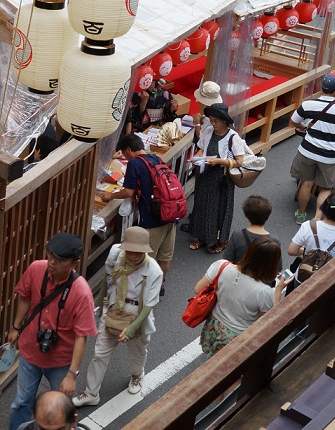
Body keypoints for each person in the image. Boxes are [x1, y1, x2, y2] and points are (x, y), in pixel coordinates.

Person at [6, 233, 96, 430]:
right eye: (50, 255)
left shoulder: (81, 292)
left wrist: (72, 375)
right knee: (21, 403)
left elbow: (82, 336)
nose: (52, 262)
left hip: (60, 361)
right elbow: (25, 297)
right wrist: (15, 327)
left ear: (75, 263)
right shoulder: (36, 268)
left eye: (61, 259)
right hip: (30, 351)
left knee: (61, 409)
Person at [71, 227, 163, 408]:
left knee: (137, 352)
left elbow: (150, 304)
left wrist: (133, 328)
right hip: (114, 308)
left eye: (138, 252)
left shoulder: (154, 270)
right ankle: (91, 393)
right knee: (99, 354)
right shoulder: (116, 254)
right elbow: (108, 278)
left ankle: (137, 375)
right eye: (130, 250)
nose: (134, 255)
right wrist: (96, 304)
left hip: (138, 314)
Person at [100, 134, 177, 292]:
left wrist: (111, 195)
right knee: (165, 256)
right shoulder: (156, 159)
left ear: (128, 150)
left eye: (124, 153)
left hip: (153, 219)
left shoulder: (135, 163)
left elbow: (128, 191)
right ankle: (160, 284)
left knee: (147, 258)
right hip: (169, 213)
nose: (125, 156)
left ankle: (145, 290)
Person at [196, 237, 288, 357]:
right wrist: (278, 291)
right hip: (237, 336)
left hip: (215, 324)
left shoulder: (221, 266)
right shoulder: (264, 292)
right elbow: (267, 322)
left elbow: (198, 289)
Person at [289, 73, 335, 224]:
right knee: (326, 187)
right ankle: (316, 218)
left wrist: (305, 126)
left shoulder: (308, 104)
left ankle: (301, 214)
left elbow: (294, 121)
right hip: (330, 156)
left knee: (306, 183)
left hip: (307, 150)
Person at [187, 103, 246, 253]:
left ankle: (220, 240)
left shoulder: (233, 137)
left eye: (216, 121)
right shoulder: (207, 131)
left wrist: (219, 161)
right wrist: (197, 157)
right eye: (211, 120)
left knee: (219, 209)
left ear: (225, 121)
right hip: (205, 174)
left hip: (222, 179)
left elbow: (239, 161)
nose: (213, 124)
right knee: (201, 205)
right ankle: (201, 237)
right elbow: (201, 148)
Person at [287, 194, 335, 282]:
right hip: (326, 281)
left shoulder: (308, 226)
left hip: (304, 276)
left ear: (323, 208)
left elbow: (292, 251)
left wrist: (308, 251)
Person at [223, 195, 283, 272]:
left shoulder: (237, 235)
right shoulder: (274, 241)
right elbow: (278, 268)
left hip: (239, 277)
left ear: (246, 215)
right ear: (268, 215)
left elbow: (226, 261)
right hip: (262, 280)